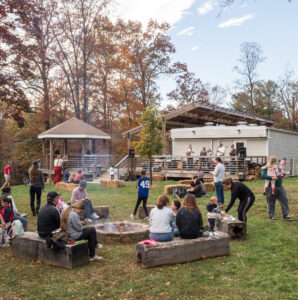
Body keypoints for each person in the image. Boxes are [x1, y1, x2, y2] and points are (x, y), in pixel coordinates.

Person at [261, 157, 294, 221]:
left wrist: (282, 173)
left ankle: (286, 215)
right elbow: (263, 175)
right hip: (270, 187)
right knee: (271, 202)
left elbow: (278, 173)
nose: (275, 163)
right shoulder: (266, 167)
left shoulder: (276, 166)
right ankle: (271, 217)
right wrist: (272, 178)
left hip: (280, 186)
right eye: (274, 161)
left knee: (284, 199)